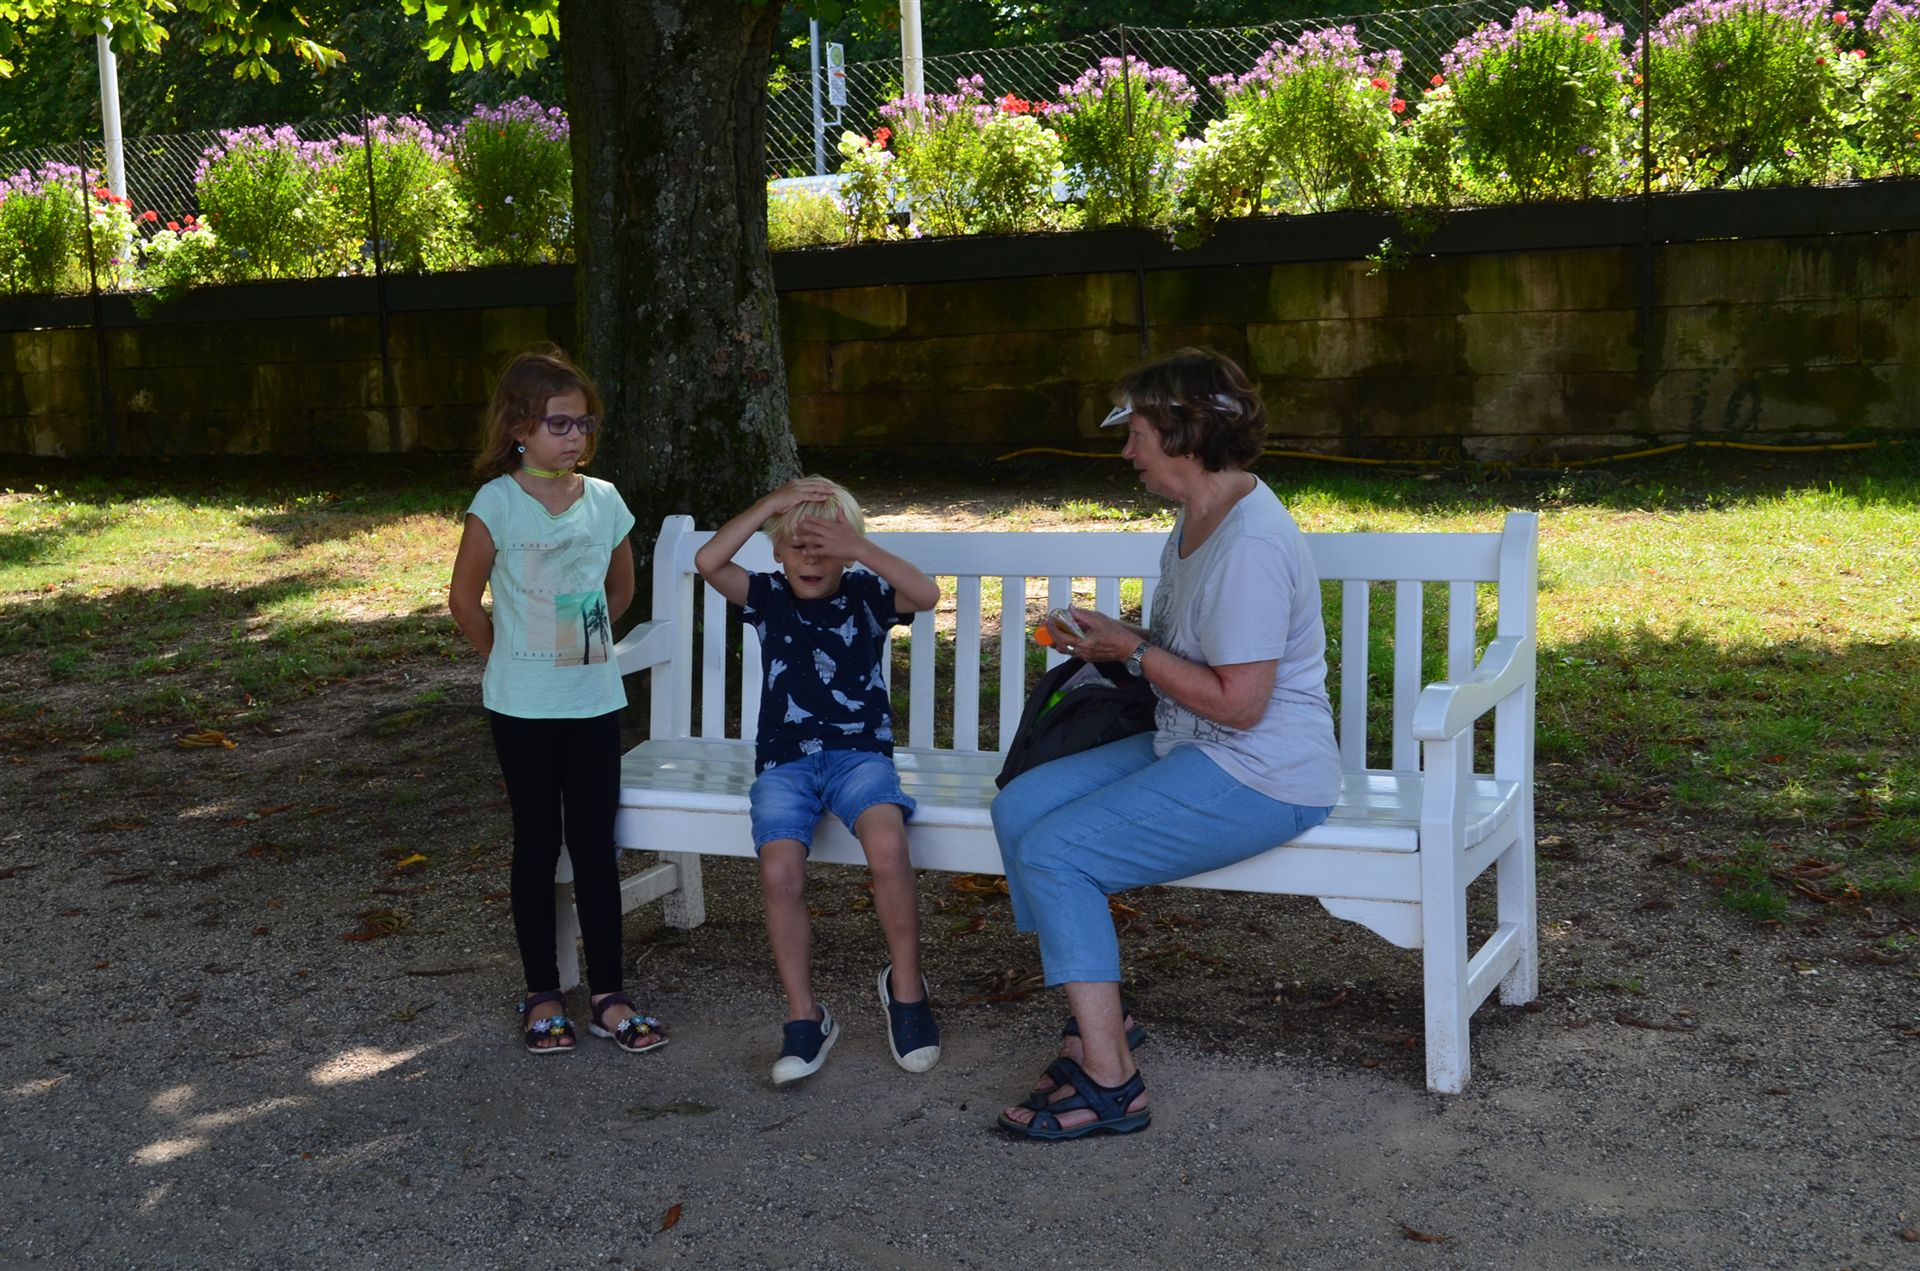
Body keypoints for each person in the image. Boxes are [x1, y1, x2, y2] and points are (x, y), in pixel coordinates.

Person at [990, 347, 1340, 1140]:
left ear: (1185, 435)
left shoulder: (1250, 544)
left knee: (1057, 852)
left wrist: (1134, 651)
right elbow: (1192, 651)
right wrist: (1115, 639)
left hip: (1263, 771)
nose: (1126, 451)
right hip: (1188, 742)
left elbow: (1242, 704)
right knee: (1021, 809)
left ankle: (1111, 1081)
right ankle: (1098, 1021)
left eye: (1137, 433)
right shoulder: (1195, 519)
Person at [447, 347, 667, 1057]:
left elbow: (620, 590)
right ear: (519, 428)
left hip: (593, 700)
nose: (576, 436)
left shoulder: (604, 500)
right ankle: (543, 993)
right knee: (538, 844)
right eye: (560, 423)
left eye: (585, 423)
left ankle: (609, 994)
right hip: (522, 707)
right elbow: (465, 601)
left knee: (596, 846)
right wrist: (509, 659)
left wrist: (578, 644)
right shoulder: (497, 503)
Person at [694, 476, 944, 1085]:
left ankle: (907, 990)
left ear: (847, 551)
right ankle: (806, 1016)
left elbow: (927, 593)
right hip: (786, 764)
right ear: (777, 550)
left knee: (888, 846)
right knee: (780, 871)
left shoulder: (867, 595)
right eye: (797, 546)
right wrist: (769, 505)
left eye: (825, 547)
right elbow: (708, 562)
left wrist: (858, 547)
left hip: (859, 757)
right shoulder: (767, 596)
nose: (811, 560)